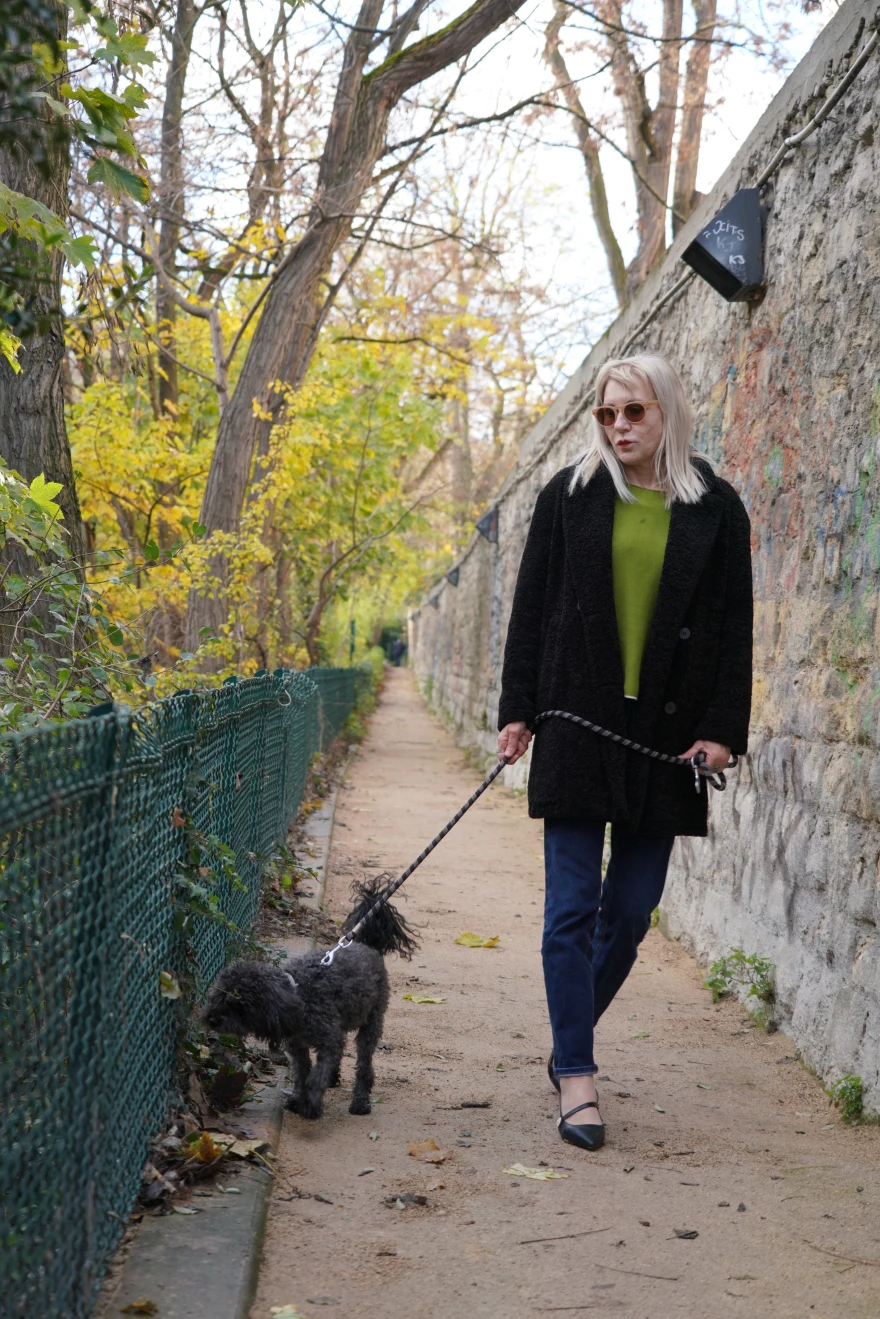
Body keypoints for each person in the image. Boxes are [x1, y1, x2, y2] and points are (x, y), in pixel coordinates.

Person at [496, 354, 753, 1152]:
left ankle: (568, 1034)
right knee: (570, 908)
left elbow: (733, 629)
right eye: (607, 414)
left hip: (667, 741)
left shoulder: (715, 507)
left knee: (632, 912)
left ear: (666, 411)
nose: (619, 427)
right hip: (577, 723)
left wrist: (723, 730)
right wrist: (517, 710)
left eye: (634, 411)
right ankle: (577, 1073)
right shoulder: (568, 494)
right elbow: (532, 608)